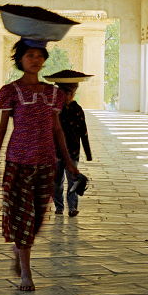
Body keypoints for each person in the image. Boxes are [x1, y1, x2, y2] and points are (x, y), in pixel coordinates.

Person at [0, 40, 81, 291]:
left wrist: (68, 162)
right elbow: (2, 128)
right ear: (20, 60)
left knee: (38, 217)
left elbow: (57, 130)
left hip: (46, 162)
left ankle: (19, 250)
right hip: (18, 161)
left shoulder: (53, 94)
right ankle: (26, 272)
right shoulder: (9, 91)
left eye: (39, 56)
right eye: (30, 55)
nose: (35, 60)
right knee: (22, 215)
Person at [54, 83, 92, 217]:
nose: (66, 97)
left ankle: (72, 207)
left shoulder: (78, 109)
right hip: (56, 152)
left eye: (69, 94)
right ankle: (59, 206)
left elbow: (84, 132)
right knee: (57, 182)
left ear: (73, 94)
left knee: (73, 181)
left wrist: (88, 153)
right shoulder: (55, 110)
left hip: (73, 152)